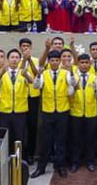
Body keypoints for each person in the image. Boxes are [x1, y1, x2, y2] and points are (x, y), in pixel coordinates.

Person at [28, 50, 72, 178]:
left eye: (56, 60)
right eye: (52, 60)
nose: (54, 62)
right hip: (47, 112)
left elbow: (73, 84)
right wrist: (37, 75)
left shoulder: (66, 73)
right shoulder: (44, 73)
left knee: (61, 141)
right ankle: (41, 167)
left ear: (60, 61)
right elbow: (36, 86)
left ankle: (61, 166)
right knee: (46, 141)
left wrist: (71, 71)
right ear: (49, 61)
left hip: (62, 111)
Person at [0, 49, 32, 156]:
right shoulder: (2, 72)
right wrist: (1, 72)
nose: (14, 60)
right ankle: (7, 160)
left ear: (20, 59)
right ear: (8, 59)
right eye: (12, 57)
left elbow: (32, 82)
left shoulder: (23, 72)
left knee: (19, 137)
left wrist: (26, 75)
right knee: (6, 138)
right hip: (5, 111)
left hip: (20, 111)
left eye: (16, 58)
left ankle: (19, 160)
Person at [69, 53, 97, 172]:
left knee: (90, 139)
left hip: (91, 113)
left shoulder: (94, 77)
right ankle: (75, 162)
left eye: (86, 62)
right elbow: (69, 93)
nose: (84, 65)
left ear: (89, 64)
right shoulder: (73, 76)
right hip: (76, 113)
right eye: (82, 63)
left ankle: (90, 162)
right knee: (76, 139)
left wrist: (95, 90)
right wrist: (74, 88)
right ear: (78, 64)